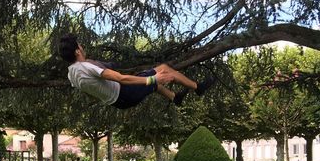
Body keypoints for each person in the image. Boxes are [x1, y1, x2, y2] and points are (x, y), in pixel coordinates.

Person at [59, 35, 214, 109]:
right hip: (125, 92)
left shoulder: (71, 74)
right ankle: (197, 87)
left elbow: (88, 90)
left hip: (117, 101)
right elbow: (121, 79)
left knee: (152, 85)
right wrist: (153, 79)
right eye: (80, 46)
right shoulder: (88, 67)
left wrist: (103, 93)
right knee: (163, 70)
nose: (83, 48)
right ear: (77, 51)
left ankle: (174, 97)